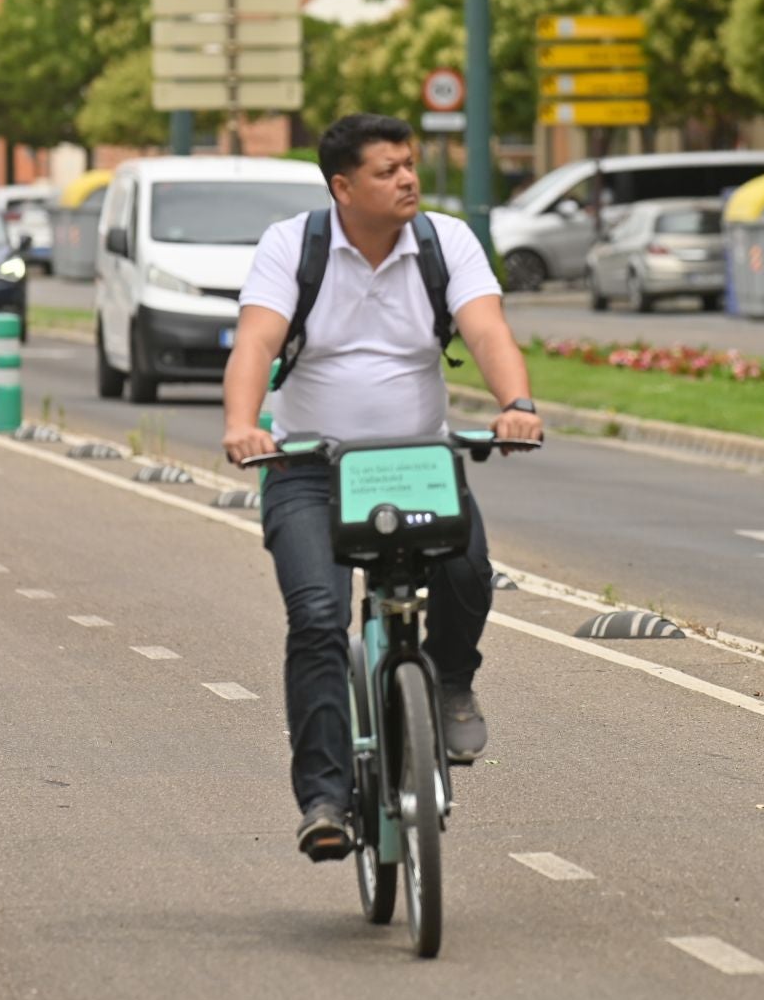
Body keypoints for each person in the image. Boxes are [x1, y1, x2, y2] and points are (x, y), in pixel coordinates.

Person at [222, 113, 544, 862]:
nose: (408, 178)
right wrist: (245, 423)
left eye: (410, 164)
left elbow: (486, 329)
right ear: (343, 186)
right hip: (308, 468)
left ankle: (453, 681)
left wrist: (516, 405)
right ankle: (325, 797)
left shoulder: (445, 242)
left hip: (416, 461)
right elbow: (256, 341)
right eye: (387, 169)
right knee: (316, 617)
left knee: (467, 570)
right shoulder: (291, 246)